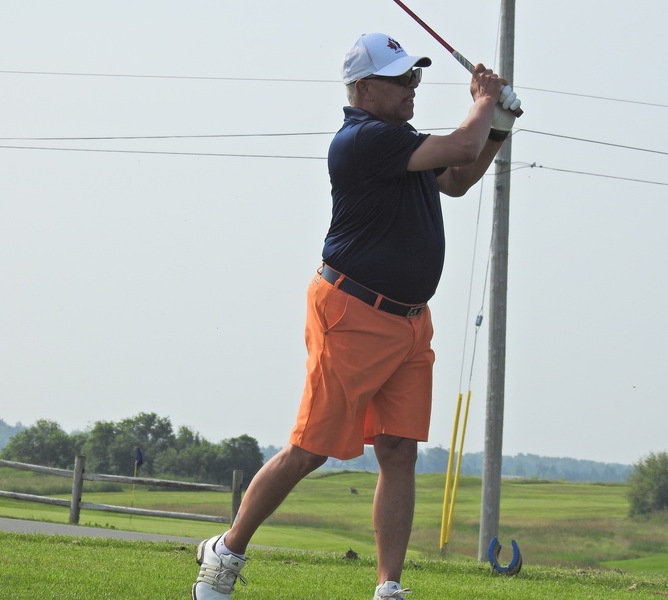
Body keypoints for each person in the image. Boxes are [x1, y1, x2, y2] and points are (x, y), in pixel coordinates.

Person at [191, 32, 521, 600]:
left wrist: (499, 125)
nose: (413, 86)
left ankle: (389, 587)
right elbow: (463, 149)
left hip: (410, 323)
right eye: (401, 79)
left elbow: (458, 180)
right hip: (352, 313)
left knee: (398, 450)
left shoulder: (401, 141)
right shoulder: (363, 140)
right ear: (364, 88)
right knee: (309, 449)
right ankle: (226, 552)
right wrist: (485, 100)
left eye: (415, 76)